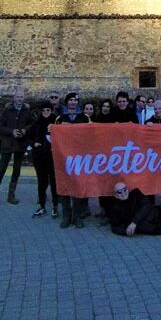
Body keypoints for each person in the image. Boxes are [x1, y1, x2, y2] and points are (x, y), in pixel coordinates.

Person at [0, 96, 32, 207]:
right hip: (8, 143)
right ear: (14, 98)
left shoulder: (27, 111)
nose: (19, 99)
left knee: (17, 169)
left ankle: (11, 195)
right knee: (2, 169)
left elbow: (31, 125)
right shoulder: (7, 111)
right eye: (17, 96)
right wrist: (11, 131)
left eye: (21, 97)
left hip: (20, 143)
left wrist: (24, 130)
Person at [55, 92, 90, 227]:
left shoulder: (85, 117)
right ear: (67, 102)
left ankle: (77, 216)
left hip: (79, 157)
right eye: (70, 100)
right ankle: (66, 216)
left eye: (75, 100)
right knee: (64, 185)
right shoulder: (60, 118)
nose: (73, 102)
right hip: (63, 156)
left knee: (77, 185)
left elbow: (91, 135)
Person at [28, 102, 59, 218]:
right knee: (41, 181)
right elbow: (29, 137)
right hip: (39, 155)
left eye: (48, 110)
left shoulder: (56, 122)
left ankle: (55, 205)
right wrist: (33, 143)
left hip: (52, 156)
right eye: (43, 110)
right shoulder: (37, 123)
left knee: (54, 181)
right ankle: (42, 206)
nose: (46, 112)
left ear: (51, 110)